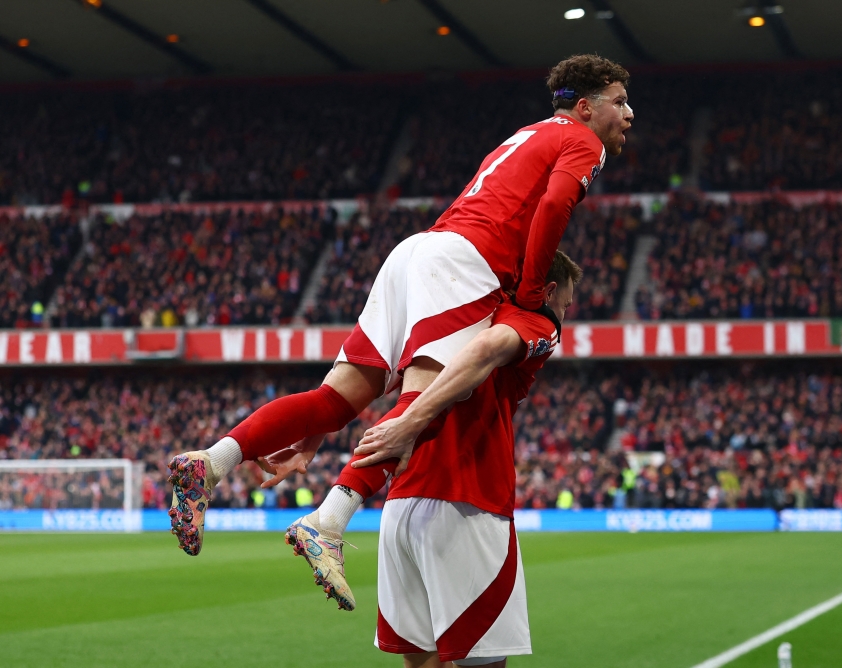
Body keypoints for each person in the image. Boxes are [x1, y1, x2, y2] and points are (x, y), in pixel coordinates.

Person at [166, 54, 633, 559]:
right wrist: (530, 292)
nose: (629, 114)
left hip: (416, 252)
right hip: (463, 263)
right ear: (585, 108)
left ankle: (212, 461)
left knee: (333, 402)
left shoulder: (527, 134)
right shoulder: (583, 140)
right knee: (425, 402)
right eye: (620, 101)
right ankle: (328, 522)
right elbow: (554, 204)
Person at [279, 252, 580, 666]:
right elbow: (487, 348)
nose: (564, 314)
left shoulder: (438, 315)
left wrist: (316, 428)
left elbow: (362, 375)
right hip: (467, 501)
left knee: (421, 661)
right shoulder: (536, 323)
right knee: (483, 662)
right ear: (547, 291)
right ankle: (327, 519)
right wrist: (412, 421)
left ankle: (330, 515)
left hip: (400, 505)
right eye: (566, 303)